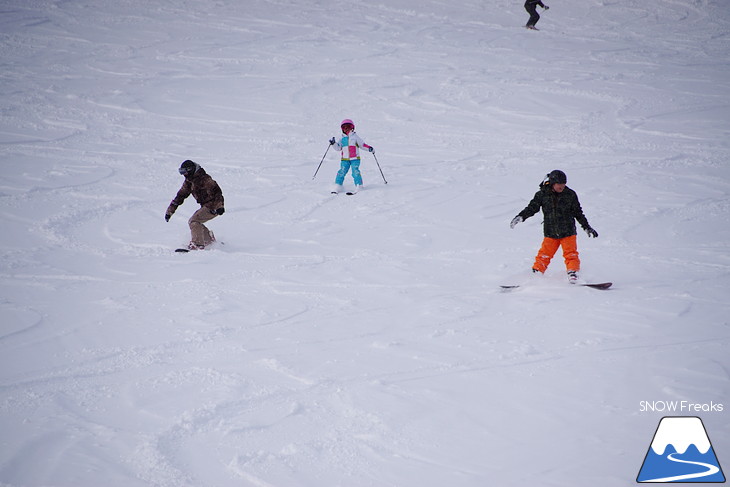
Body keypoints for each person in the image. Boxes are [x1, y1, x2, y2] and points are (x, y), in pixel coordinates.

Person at [510, 170, 598, 283]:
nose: (562, 186)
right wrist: (521, 217)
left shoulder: (570, 194)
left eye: (564, 183)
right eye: (559, 184)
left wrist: (586, 227)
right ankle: (536, 274)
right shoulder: (542, 194)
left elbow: (578, 213)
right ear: (552, 183)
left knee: (571, 254)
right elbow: (532, 208)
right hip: (550, 232)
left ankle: (573, 273)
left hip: (568, 231)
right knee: (544, 255)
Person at [165, 160, 225, 250]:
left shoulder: (204, 179)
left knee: (194, 221)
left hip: (213, 206)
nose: (183, 175)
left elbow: (217, 192)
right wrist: (170, 211)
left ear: (190, 170)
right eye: (181, 172)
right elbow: (180, 196)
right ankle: (209, 240)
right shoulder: (189, 181)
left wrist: (219, 206)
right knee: (194, 222)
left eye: (184, 172)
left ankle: (197, 244)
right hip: (206, 206)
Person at [328, 119, 374, 194]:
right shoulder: (342, 138)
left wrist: (369, 148)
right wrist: (333, 144)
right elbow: (338, 148)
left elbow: (362, 145)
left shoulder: (355, 137)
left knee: (355, 172)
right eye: (344, 127)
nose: (346, 129)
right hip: (345, 159)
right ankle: (338, 185)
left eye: (348, 127)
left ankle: (359, 185)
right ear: (342, 129)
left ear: (352, 128)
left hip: (355, 159)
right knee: (341, 171)